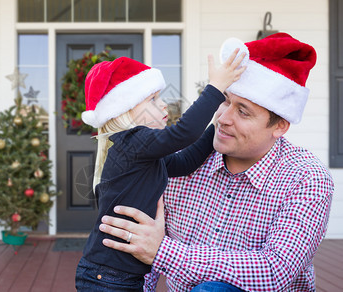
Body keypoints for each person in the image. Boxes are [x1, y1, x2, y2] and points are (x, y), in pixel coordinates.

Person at [99, 32, 334, 291]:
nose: (222, 118)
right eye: (224, 100)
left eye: (243, 111)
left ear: (280, 126)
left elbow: (275, 270)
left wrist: (163, 252)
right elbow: (142, 249)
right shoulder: (180, 164)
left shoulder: (306, 178)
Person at [75, 52, 246, 291]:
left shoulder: (143, 156)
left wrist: (217, 125)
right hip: (107, 276)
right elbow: (183, 134)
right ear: (125, 111)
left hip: (119, 275)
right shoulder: (132, 142)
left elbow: (186, 161)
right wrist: (215, 88)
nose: (164, 103)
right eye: (153, 99)